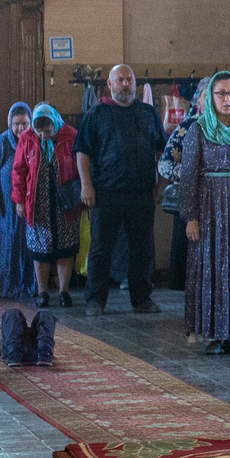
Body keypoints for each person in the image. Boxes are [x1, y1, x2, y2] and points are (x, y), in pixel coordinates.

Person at [168, 70, 230, 354]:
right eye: (221, 93)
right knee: (211, 266)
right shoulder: (198, 129)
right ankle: (213, 334)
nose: (227, 99)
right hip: (210, 204)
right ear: (210, 97)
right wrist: (190, 216)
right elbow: (188, 176)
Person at [77, 64, 165, 316]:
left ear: (135, 84)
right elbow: (82, 152)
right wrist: (86, 185)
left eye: (129, 80)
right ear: (110, 84)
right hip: (106, 192)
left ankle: (141, 299)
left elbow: (162, 152)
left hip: (141, 193)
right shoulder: (96, 114)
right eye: (120, 80)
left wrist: (160, 185)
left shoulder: (148, 113)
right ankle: (95, 300)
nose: (125, 84)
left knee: (142, 249)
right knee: (101, 248)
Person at [14, 104, 84, 306]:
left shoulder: (70, 135)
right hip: (37, 201)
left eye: (48, 130)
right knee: (40, 249)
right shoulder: (27, 138)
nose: (43, 135)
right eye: (40, 131)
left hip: (66, 200)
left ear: (55, 124)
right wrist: (19, 200)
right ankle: (42, 292)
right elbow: (18, 171)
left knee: (66, 247)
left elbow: (82, 164)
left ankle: (64, 291)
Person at [0, 102, 38, 304]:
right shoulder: (1, 144)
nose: (20, 129)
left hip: (29, 206)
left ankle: (28, 287)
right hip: (5, 208)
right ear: (9, 123)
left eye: (24, 124)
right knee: (7, 246)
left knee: (28, 245)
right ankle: (5, 287)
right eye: (16, 124)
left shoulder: (36, 141)